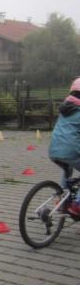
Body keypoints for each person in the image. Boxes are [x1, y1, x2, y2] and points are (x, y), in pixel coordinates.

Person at [49, 77, 80, 215]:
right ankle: (77, 204)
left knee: (67, 169)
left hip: (54, 151)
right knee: (70, 160)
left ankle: (62, 199)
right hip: (71, 151)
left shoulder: (65, 110)